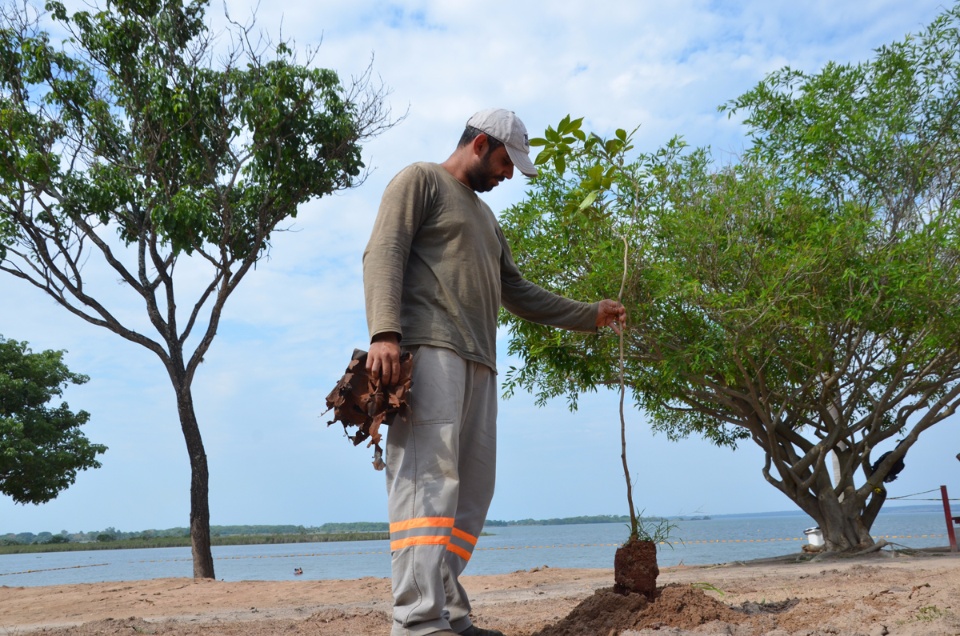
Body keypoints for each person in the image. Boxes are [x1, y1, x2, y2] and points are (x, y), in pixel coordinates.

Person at [363, 108, 626, 636]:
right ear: (481, 143)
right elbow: (383, 252)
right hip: (429, 350)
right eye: (507, 162)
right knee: (427, 486)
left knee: (470, 493)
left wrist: (588, 316)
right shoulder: (421, 180)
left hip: (479, 363)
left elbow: (519, 291)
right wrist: (384, 334)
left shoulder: (486, 219)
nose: (509, 175)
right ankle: (417, 622)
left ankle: (450, 614)